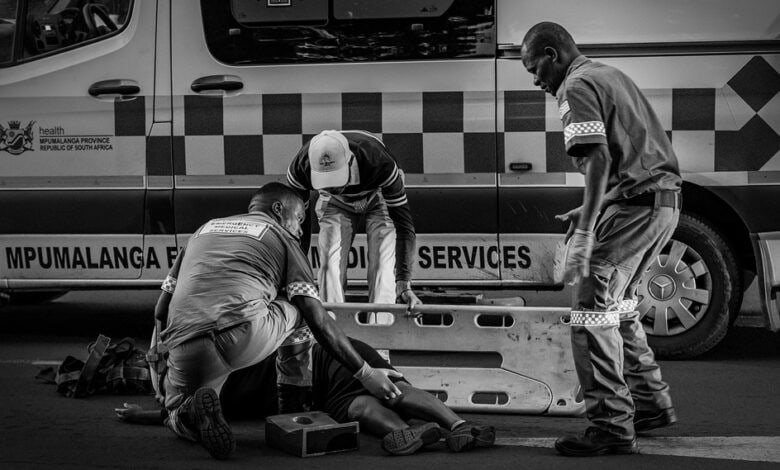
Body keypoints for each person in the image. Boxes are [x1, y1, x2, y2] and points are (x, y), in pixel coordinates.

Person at [519, 22, 681, 457]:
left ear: (552, 53)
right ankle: (650, 404)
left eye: (534, 68)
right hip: (661, 205)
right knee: (620, 308)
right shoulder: (610, 74)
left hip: (634, 210)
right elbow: (629, 160)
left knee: (590, 310)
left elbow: (598, 158)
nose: (536, 80)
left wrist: (587, 230)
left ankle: (610, 424)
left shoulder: (576, 86)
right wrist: (594, 206)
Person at [152, 182, 403, 460]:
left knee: (174, 412)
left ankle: (187, 413)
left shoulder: (203, 230)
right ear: (277, 209)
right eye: (298, 219)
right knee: (302, 310)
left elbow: (161, 308)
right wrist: (366, 374)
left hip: (184, 345)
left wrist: (159, 360)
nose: (298, 229)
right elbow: (316, 317)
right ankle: (293, 408)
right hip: (243, 336)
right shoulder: (281, 237)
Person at [118, 337, 496, 456]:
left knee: (360, 403)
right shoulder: (214, 360)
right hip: (325, 358)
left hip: (313, 375)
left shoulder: (207, 387)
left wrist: (146, 415)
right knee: (385, 390)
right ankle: (456, 425)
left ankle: (409, 431)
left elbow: (187, 411)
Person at [286, 130, 422, 323]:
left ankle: (379, 345)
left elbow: (404, 226)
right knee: (328, 267)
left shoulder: (379, 162)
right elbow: (298, 231)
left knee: (383, 267)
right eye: (325, 181)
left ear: (350, 162)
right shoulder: (301, 167)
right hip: (334, 202)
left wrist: (404, 284)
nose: (332, 186)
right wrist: (295, 279)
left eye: (336, 179)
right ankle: (334, 339)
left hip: (378, 195)